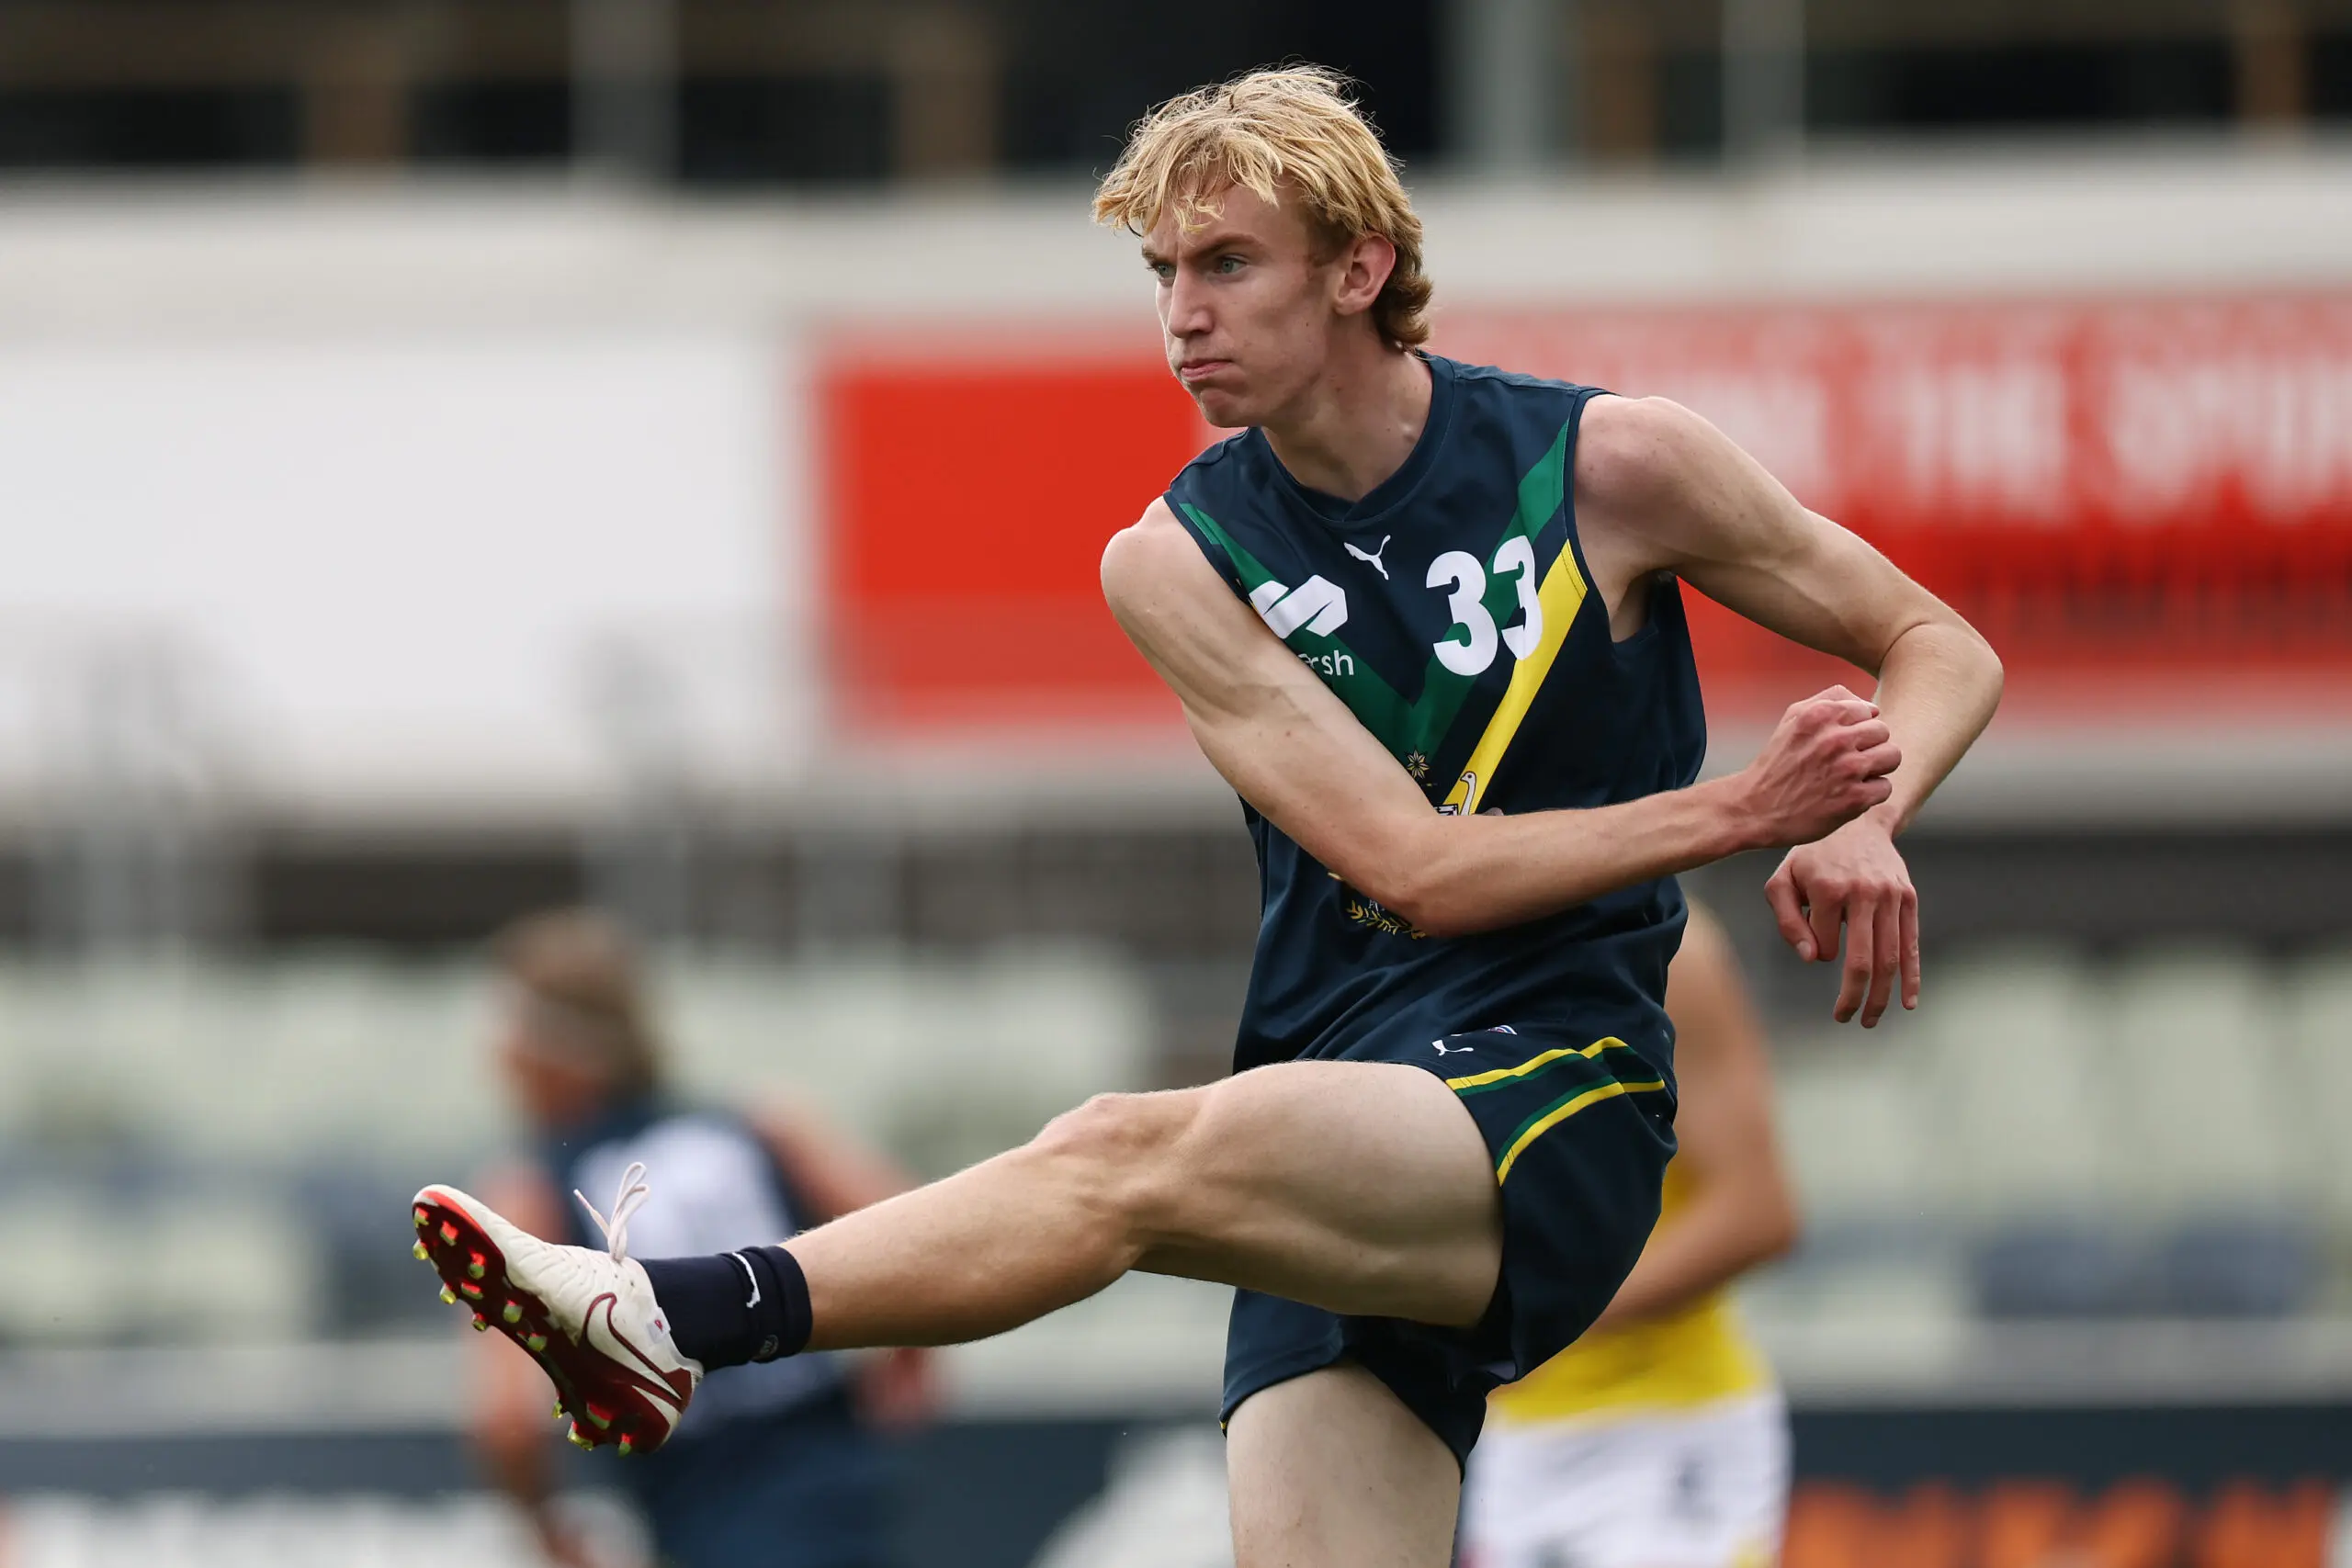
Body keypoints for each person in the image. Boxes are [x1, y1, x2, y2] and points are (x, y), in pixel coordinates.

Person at [406, 66, 2001, 1568]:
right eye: (1164, 271)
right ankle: (660, 1326)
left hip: (1546, 1090)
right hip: (1331, 1110)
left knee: (1115, 1150)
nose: (1184, 315)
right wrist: (1746, 806)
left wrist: (1867, 813)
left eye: (1230, 264)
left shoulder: (1612, 463)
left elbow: (1939, 646)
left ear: (1362, 266)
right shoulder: (1173, 558)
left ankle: (667, 1316)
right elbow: (1415, 868)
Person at [458, 908, 927, 1568]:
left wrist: (545, 1528)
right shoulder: (762, 1125)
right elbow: (919, 1234)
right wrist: (910, 1356)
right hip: (832, 1478)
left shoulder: (531, 1191)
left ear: (545, 1050)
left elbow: (506, 1420)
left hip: (704, 1501)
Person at [1462, 904, 1798, 1568]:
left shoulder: (1665, 942)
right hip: (1518, 1438)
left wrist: (1545, 1319)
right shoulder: (1453, 936)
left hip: (1667, 1426)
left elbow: (1759, 1209)